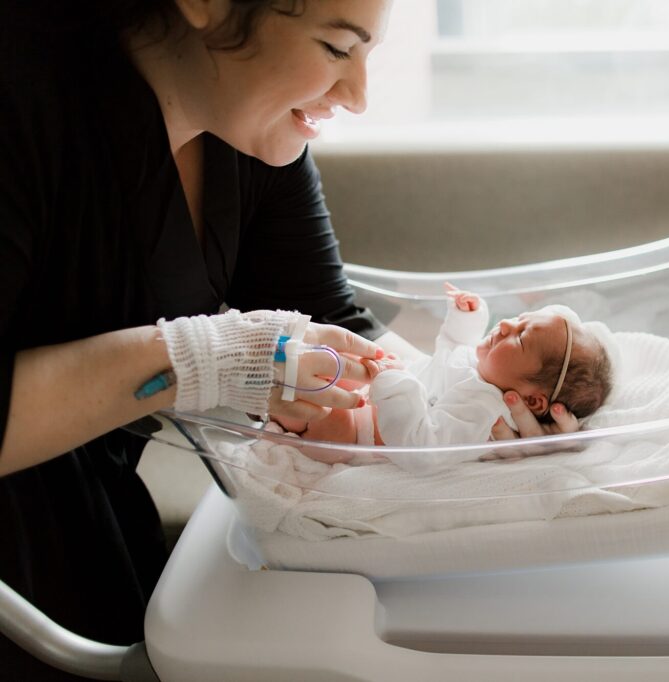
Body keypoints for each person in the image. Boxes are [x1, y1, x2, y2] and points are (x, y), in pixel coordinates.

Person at [0, 1, 578, 677]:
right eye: (336, 49)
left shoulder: (246, 130)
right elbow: (231, 356)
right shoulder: (24, 103)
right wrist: (203, 361)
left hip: (97, 536)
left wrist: (470, 417)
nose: (359, 96)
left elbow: (337, 328)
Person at [272, 284, 615, 471]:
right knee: (330, 364)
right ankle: (274, 372)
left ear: (532, 400)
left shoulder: (485, 411)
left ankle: (275, 405)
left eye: (520, 338)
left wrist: (394, 383)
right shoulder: (485, 371)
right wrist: (467, 320)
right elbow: (452, 349)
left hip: (365, 435)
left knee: (322, 418)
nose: (506, 325)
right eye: (519, 319)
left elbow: (423, 451)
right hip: (375, 392)